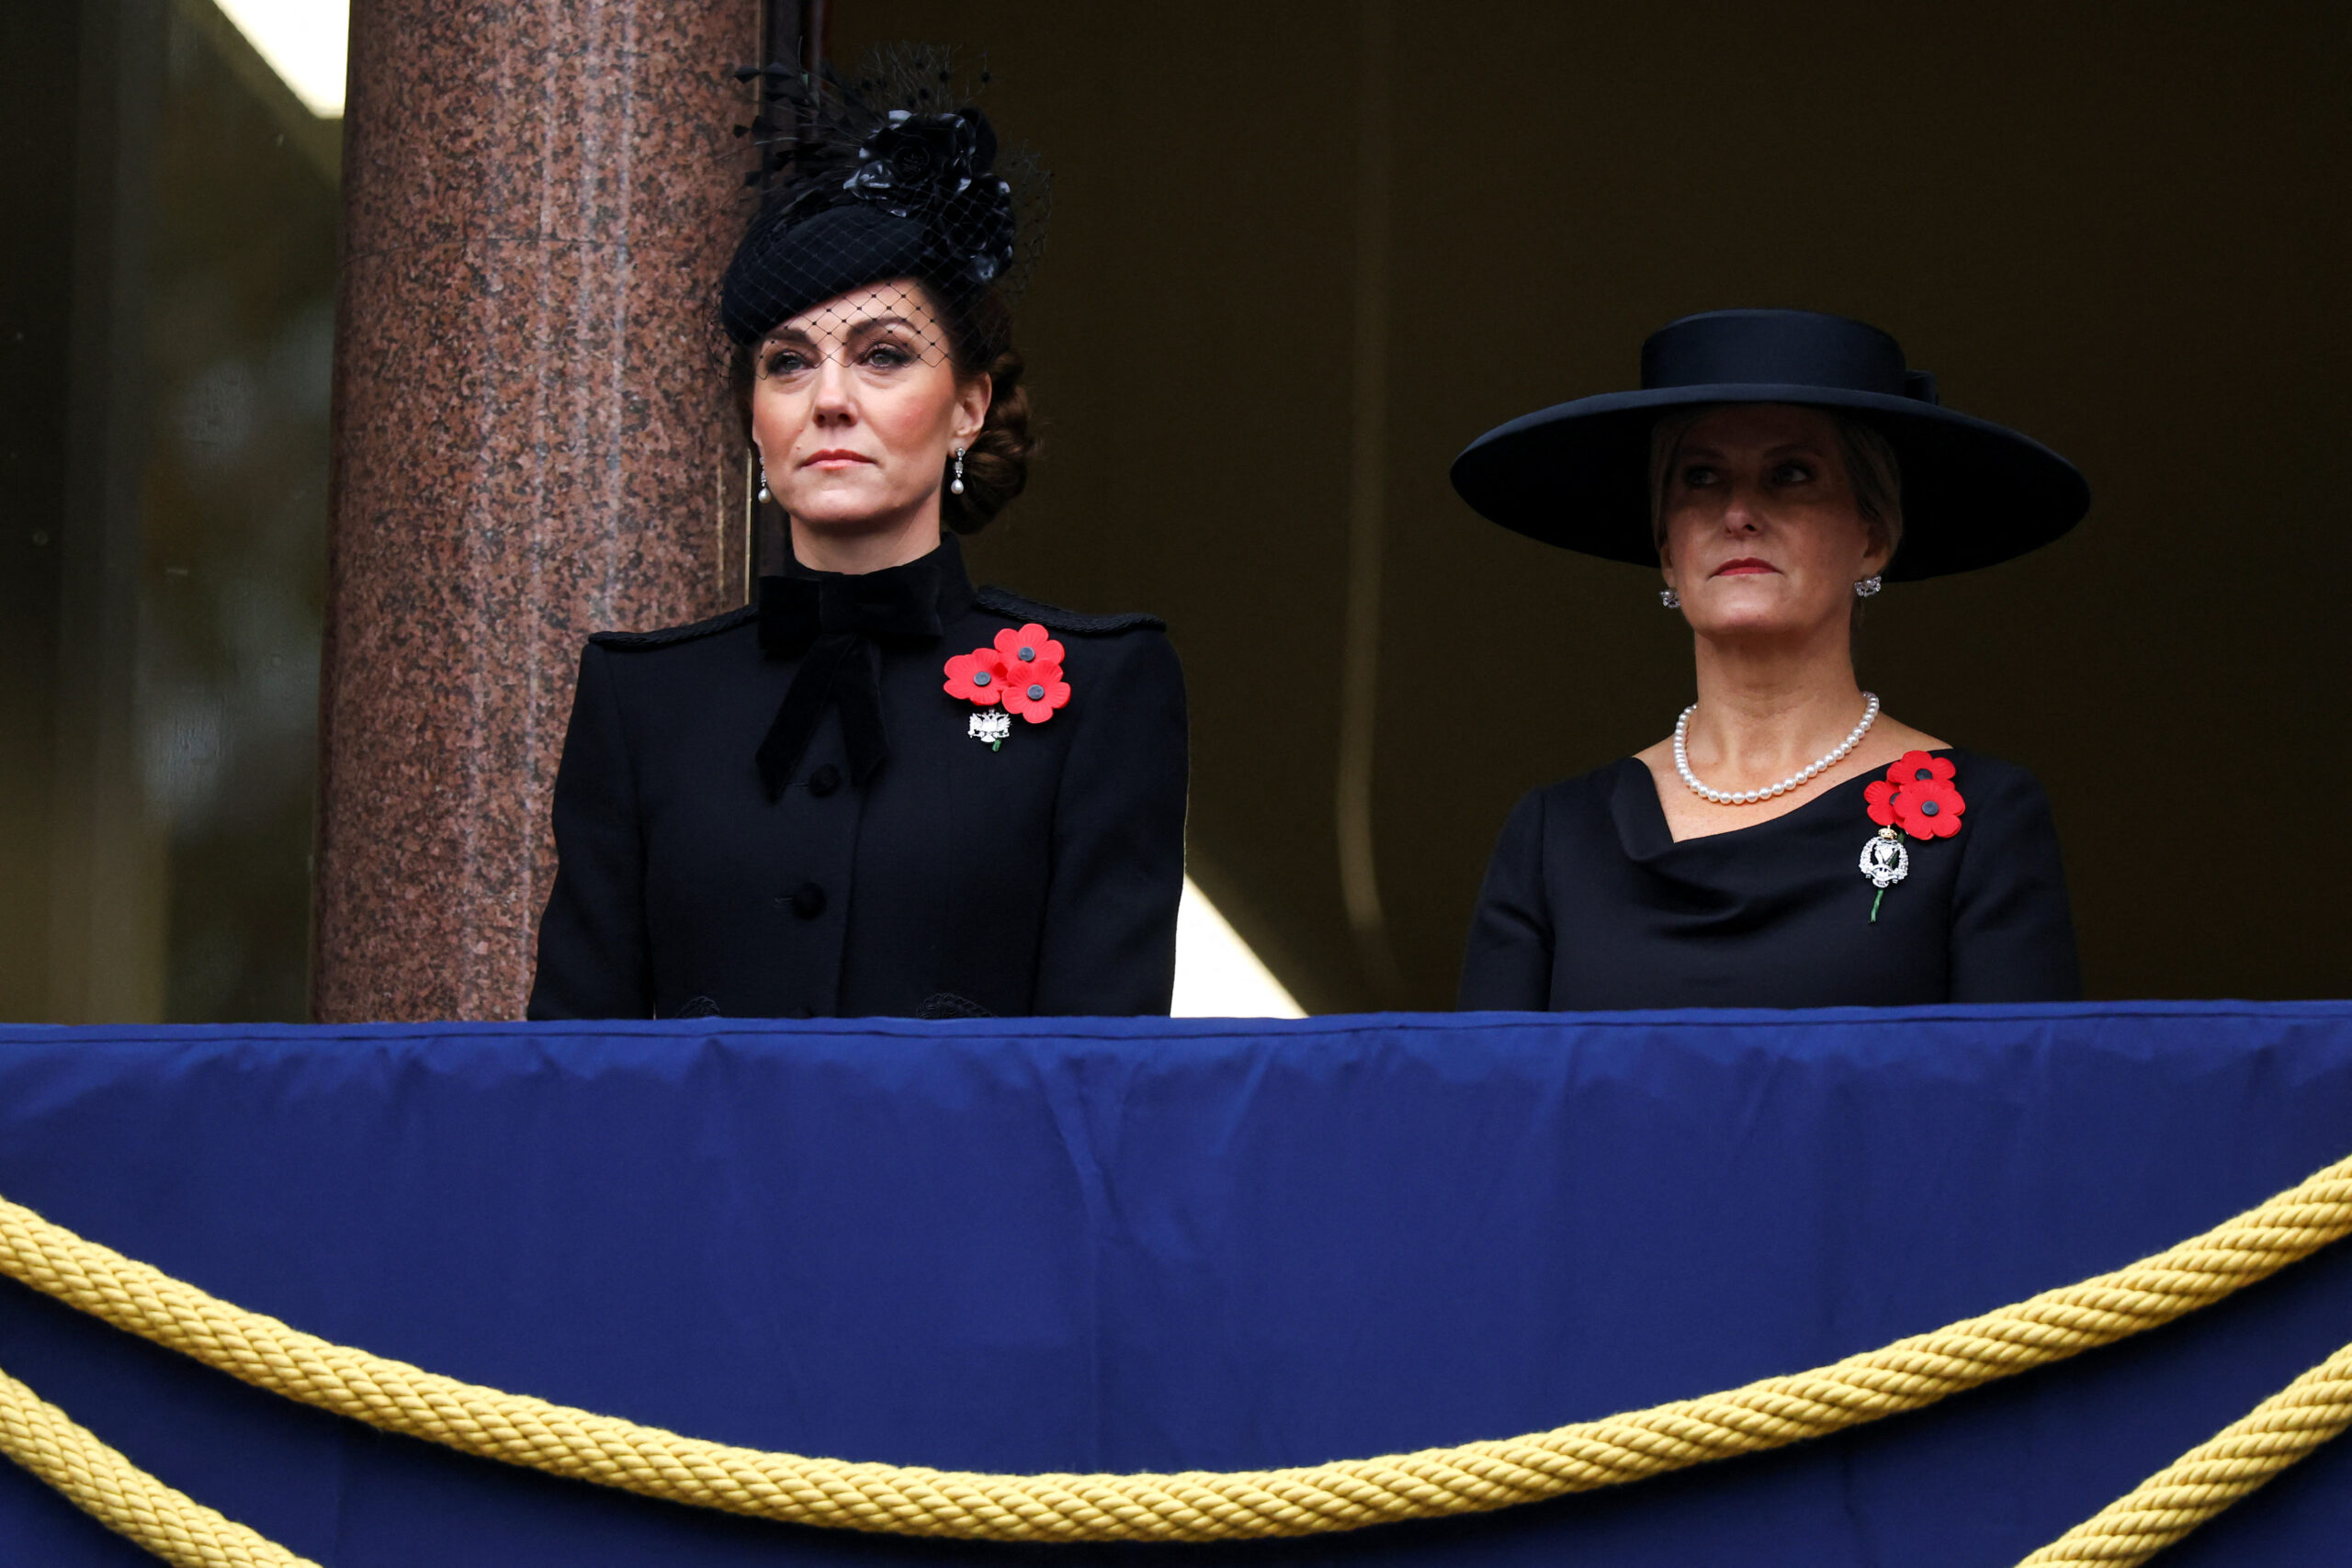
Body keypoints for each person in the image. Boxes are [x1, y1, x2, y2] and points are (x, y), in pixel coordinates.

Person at [528, 73, 1185, 1021]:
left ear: (969, 407)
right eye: (788, 363)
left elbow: (1103, 1088)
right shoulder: (644, 705)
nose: (829, 399)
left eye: (883, 354)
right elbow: (569, 1079)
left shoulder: (1103, 691)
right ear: (754, 420)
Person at [1450, 309, 2086, 1010]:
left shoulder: (1985, 819)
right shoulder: (1554, 838)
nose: (1739, 513)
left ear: (1872, 537)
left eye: (1790, 473)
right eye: (1700, 478)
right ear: (1667, 549)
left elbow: (2019, 1108)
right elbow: (1489, 1109)